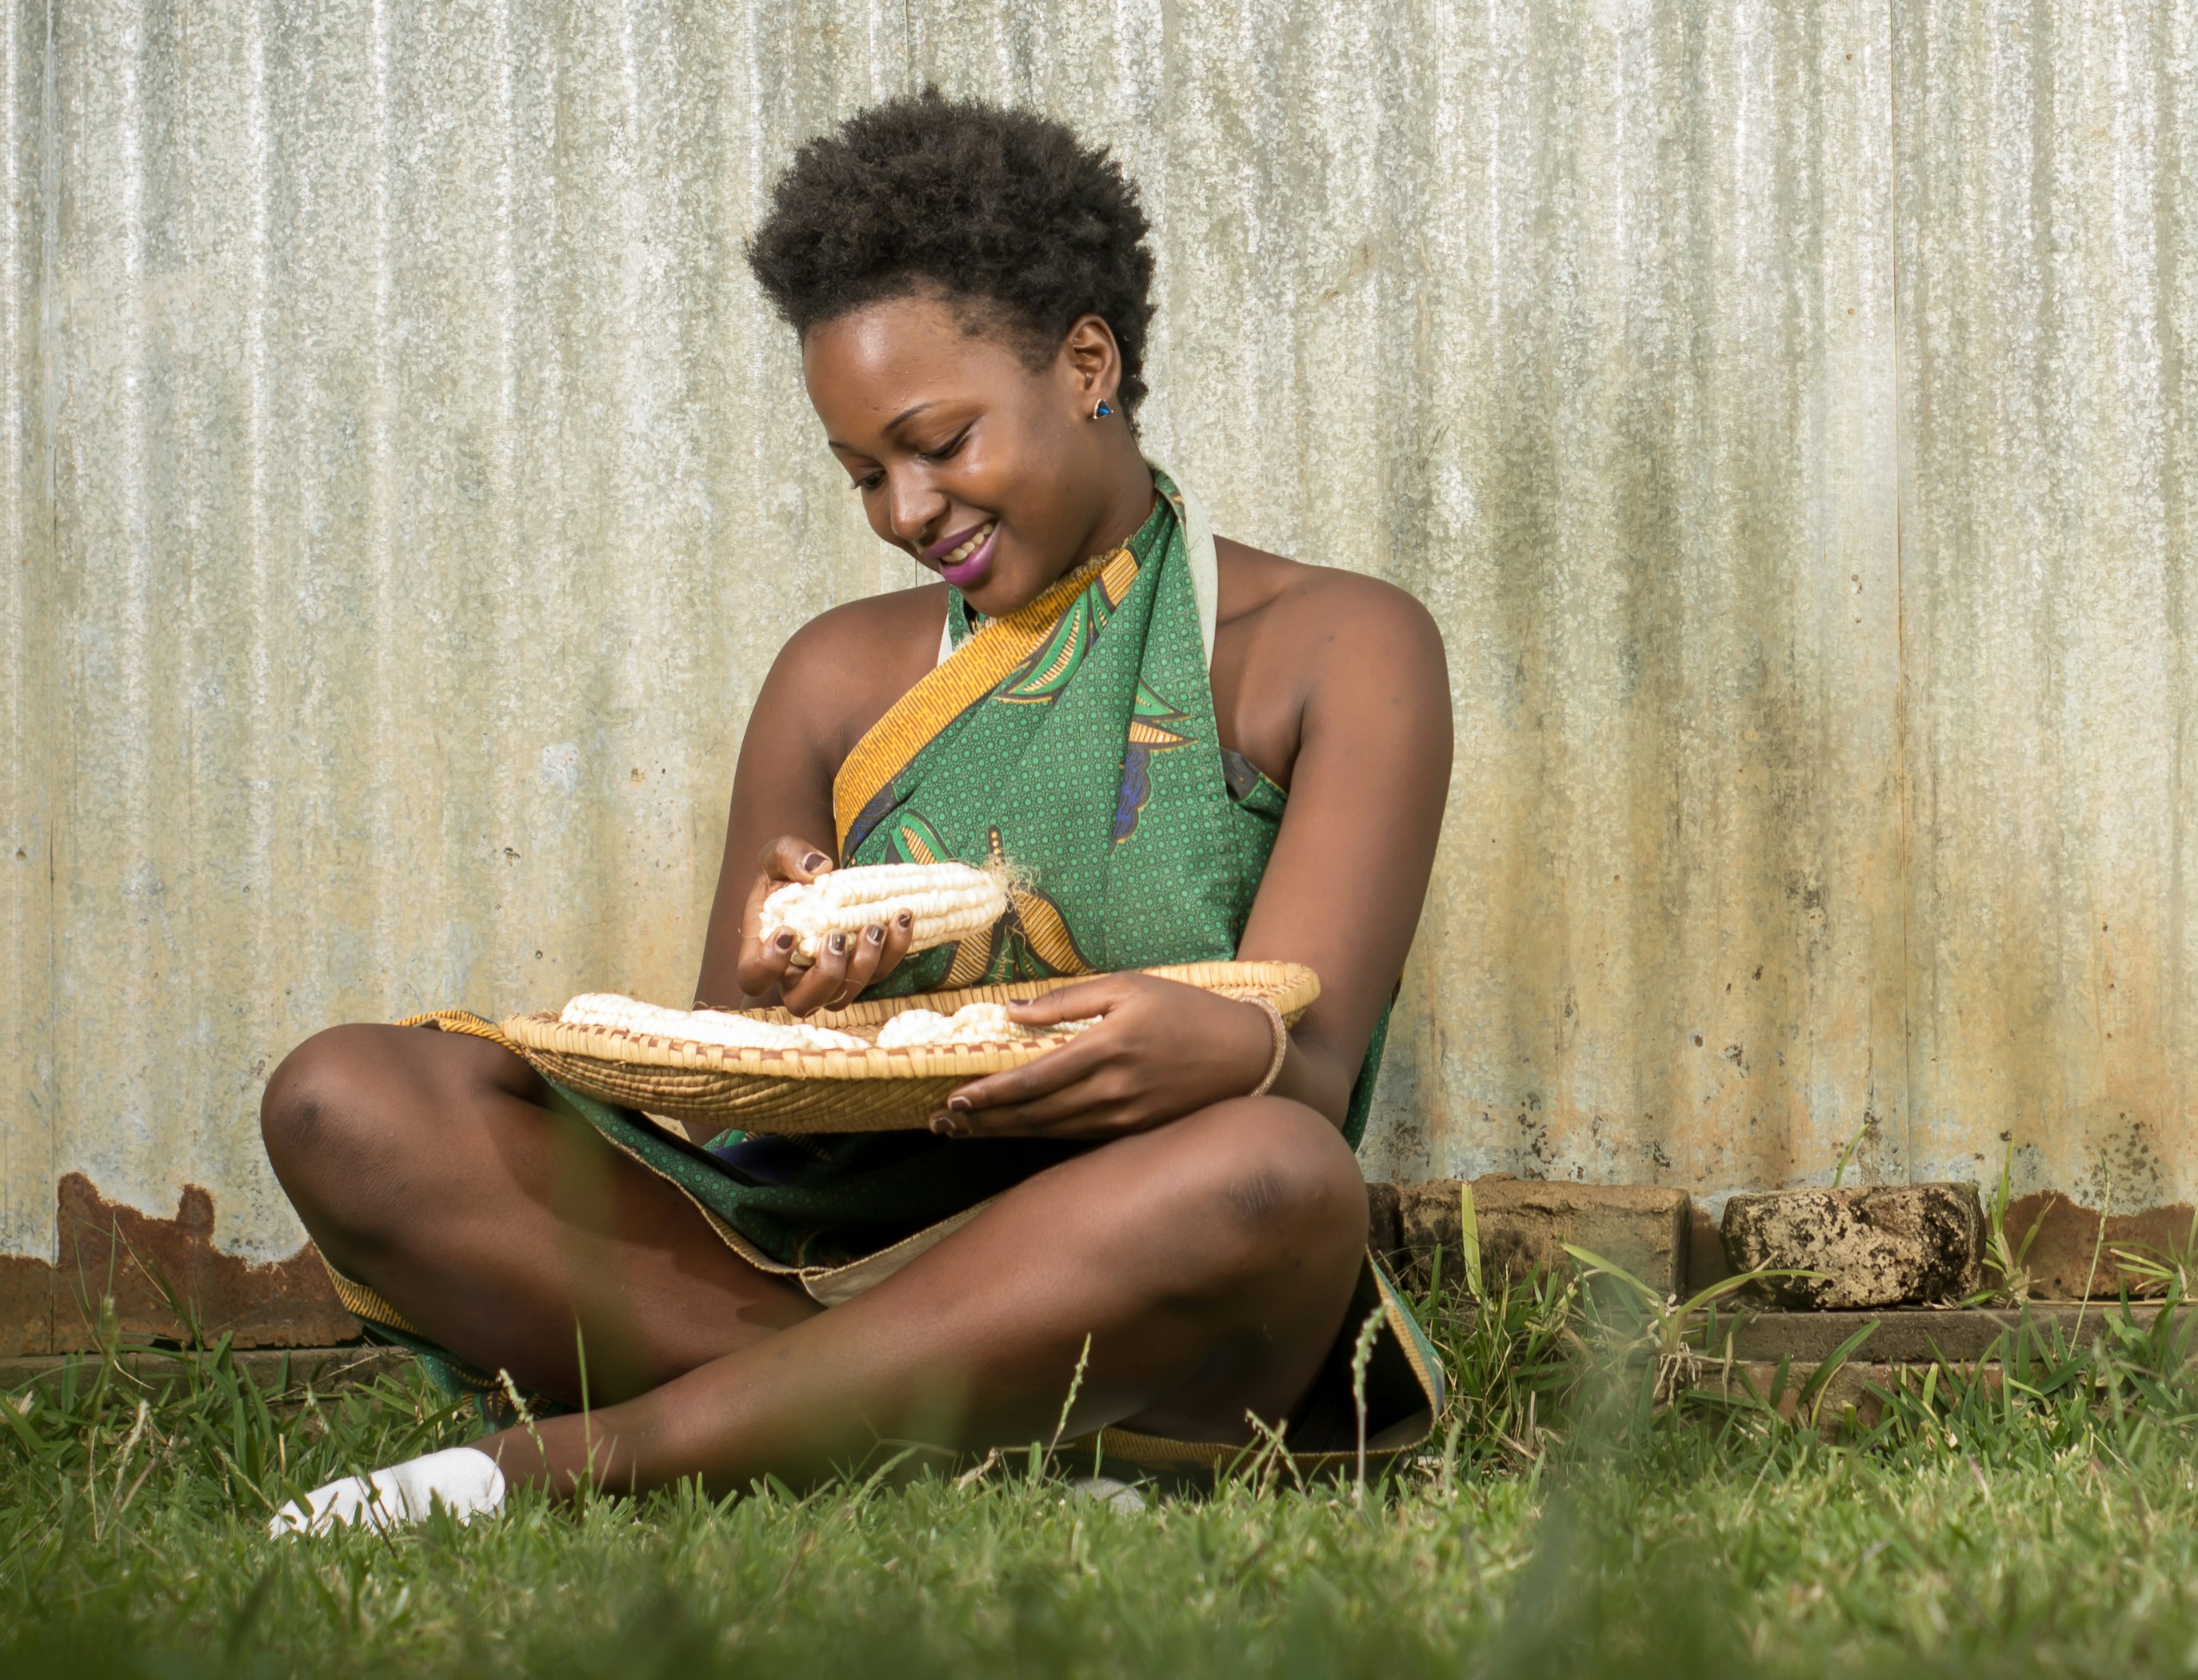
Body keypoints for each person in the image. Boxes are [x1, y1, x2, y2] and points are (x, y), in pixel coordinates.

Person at [258, 90, 1450, 1518]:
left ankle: (578, 1463)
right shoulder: (836, 675)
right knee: (347, 1103)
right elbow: (714, 1092)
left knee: (1273, 1175)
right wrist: (788, 992)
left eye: (940, 441)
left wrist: (1219, 1046)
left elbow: (1308, 1079)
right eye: (864, 474)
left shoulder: (1340, 648)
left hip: (1141, 1273)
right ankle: (977, 1441)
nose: (905, 509)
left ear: (1087, 363)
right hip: (815, 1246)